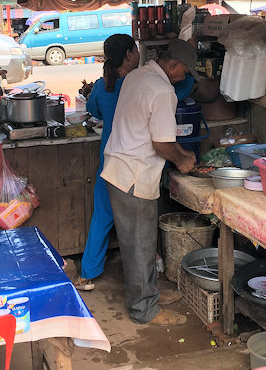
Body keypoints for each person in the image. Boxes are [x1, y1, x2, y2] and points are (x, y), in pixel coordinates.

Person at [101, 39, 198, 326]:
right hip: (134, 175)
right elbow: (161, 144)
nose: (186, 75)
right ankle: (145, 309)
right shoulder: (162, 89)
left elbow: (153, 133)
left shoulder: (137, 75)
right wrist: (181, 160)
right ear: (171, 64)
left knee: (141, 241)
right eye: (184, 69)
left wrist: (182, 152)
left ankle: (149, 292)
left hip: (120, 168)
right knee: (140, 246)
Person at [74, 34, 139, 291]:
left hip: (109, 159)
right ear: (129, 54)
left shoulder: (103, 85)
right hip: (136, 160)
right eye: (135, 50)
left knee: (102, 216)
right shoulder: (140, 83)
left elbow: (94, 110)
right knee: (138, 219)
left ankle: (87, 275)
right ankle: (141, 279)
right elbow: (181, 89)